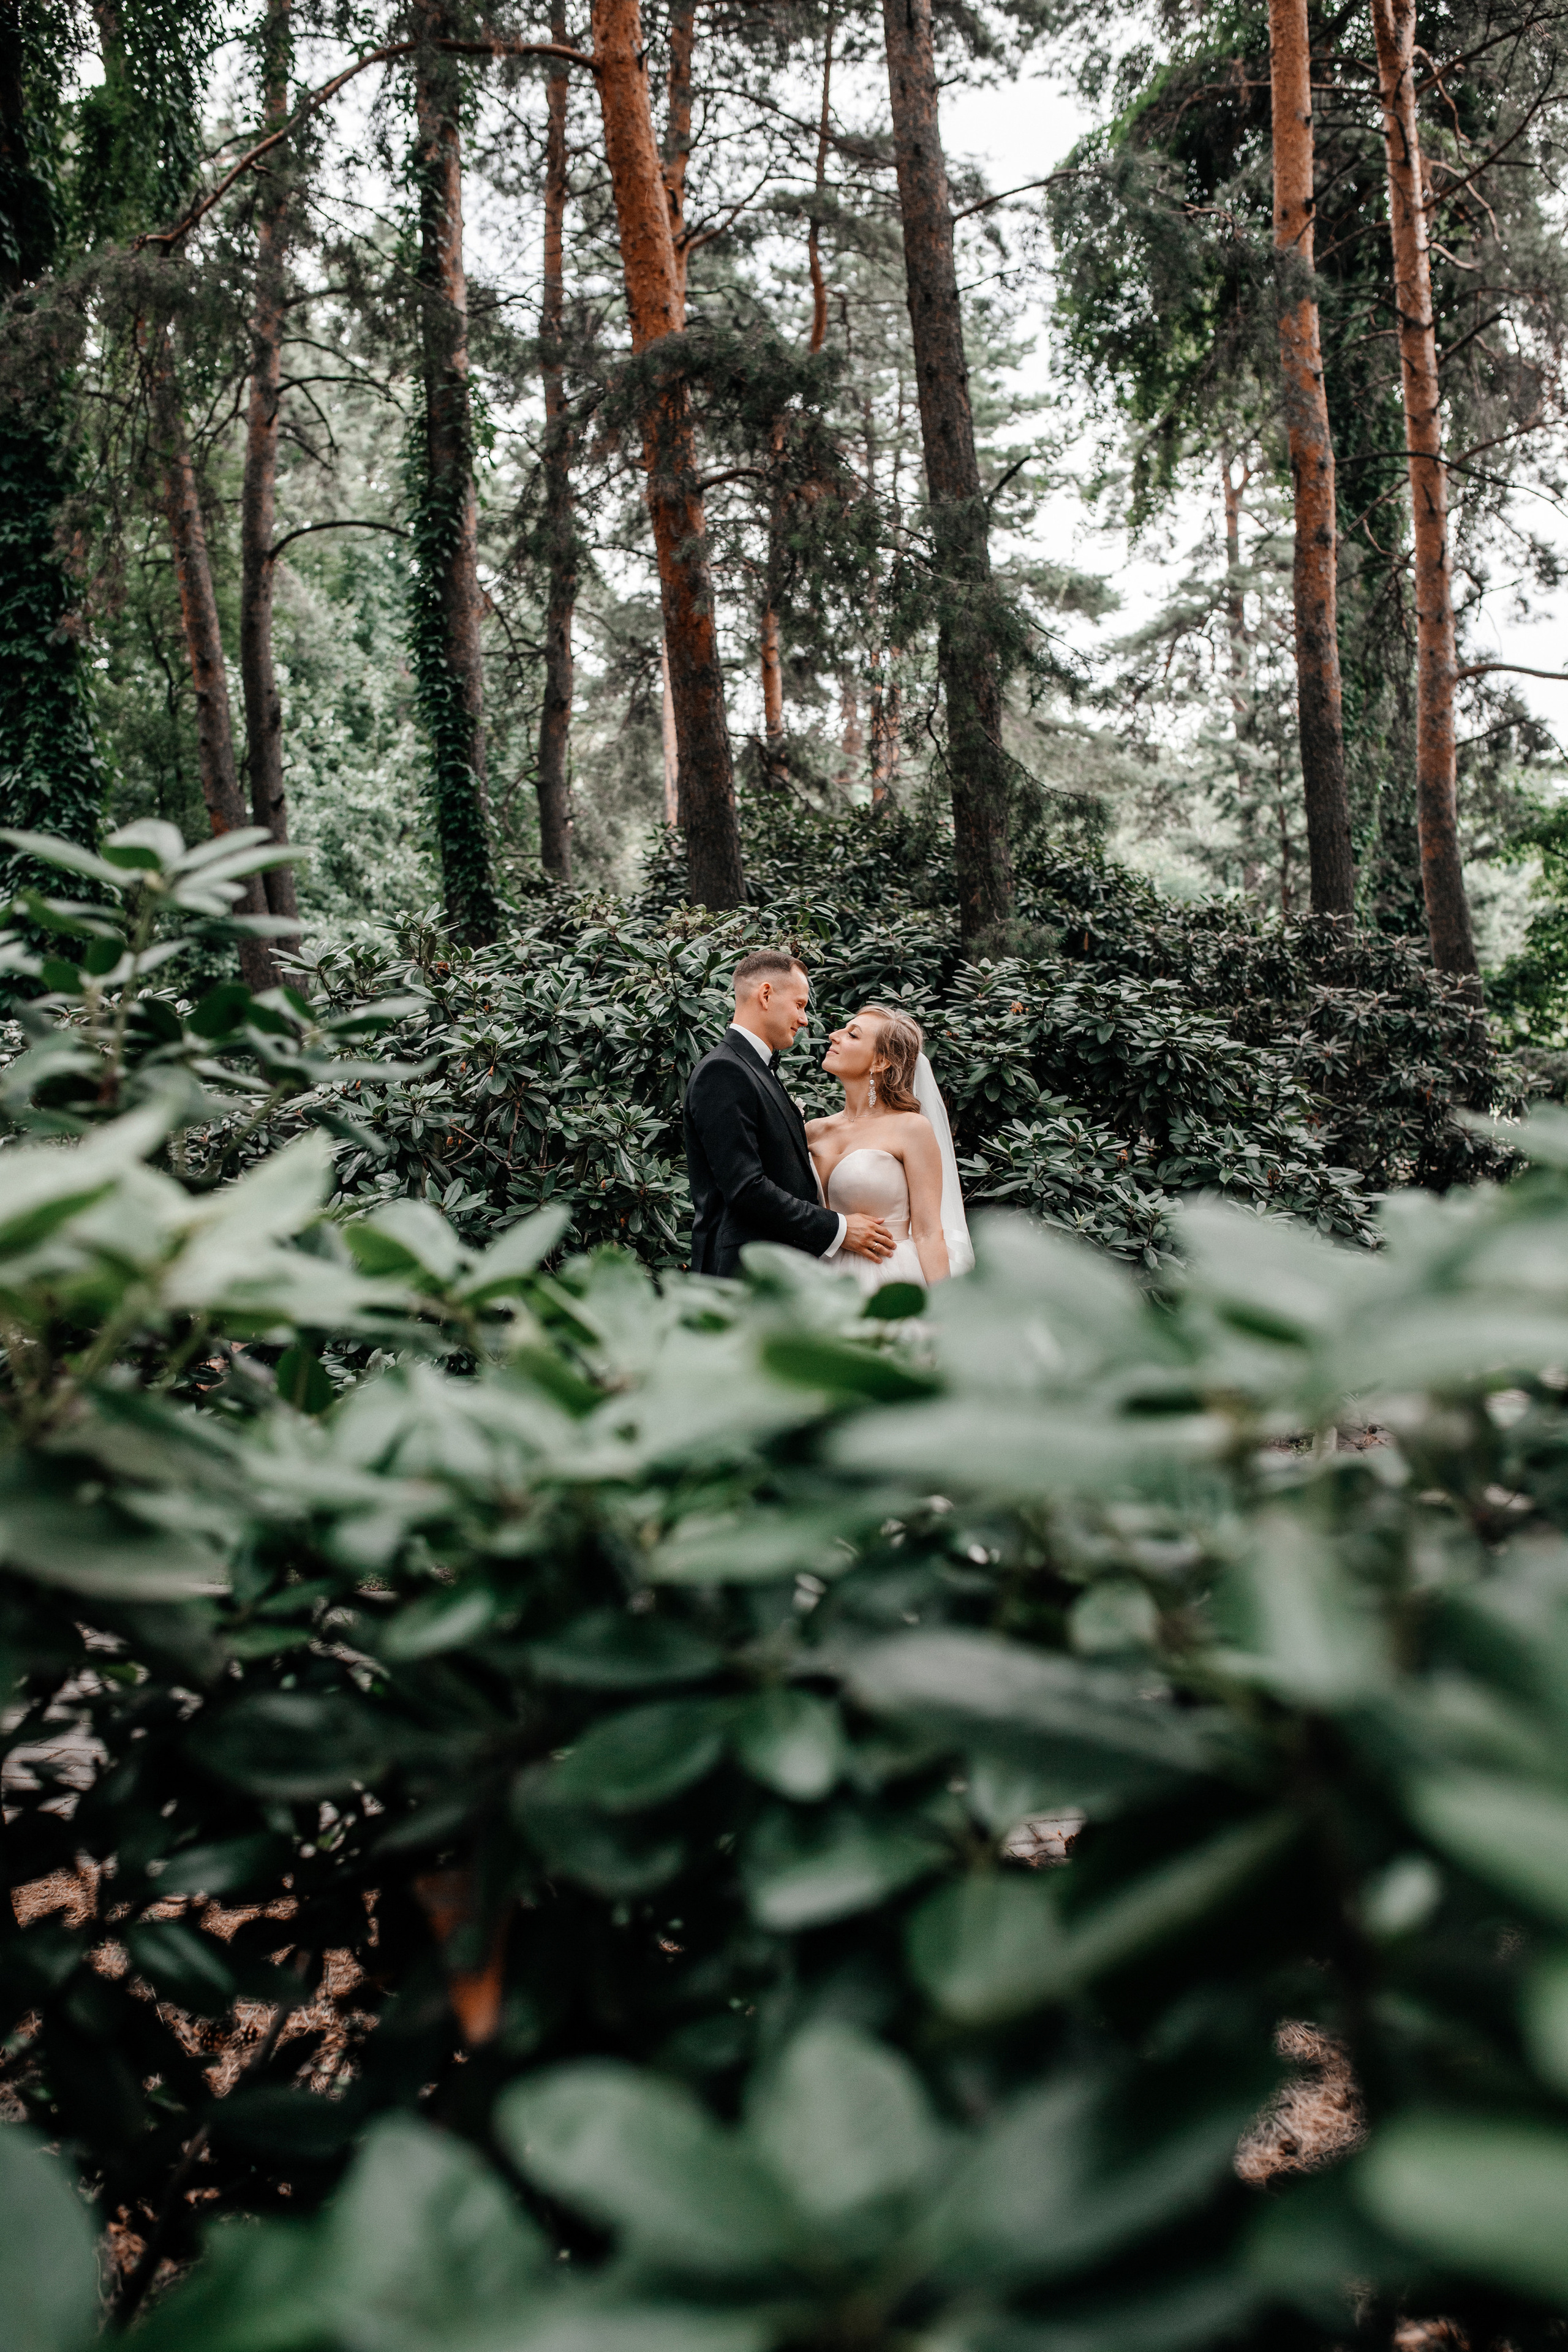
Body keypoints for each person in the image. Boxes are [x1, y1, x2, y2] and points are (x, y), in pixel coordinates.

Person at [683, 950, 897, 1280]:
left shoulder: (752, 1069)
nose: (805, 1020)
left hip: (774, 1270)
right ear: (766, 995)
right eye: (799, 1005)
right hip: (742, 1274)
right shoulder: (724, 1071)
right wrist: (839, 1228)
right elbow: (745, 1188)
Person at [807, 1003, 974, 1295]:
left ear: (880, 1062)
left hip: (890, 1278)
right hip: (821, 1280)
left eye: (853, 1035)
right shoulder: (812, 1131)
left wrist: (948, 1310)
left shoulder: (911, 1129)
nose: (834, 1036)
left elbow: (928, 1233)